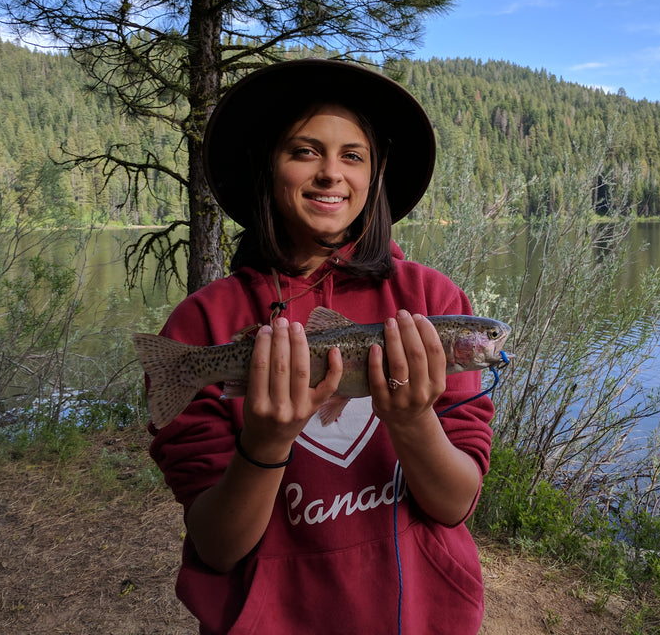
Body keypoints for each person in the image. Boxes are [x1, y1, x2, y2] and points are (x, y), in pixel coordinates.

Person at [148, 58, 495, 635]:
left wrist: (411, 422)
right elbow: (217, 547)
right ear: (268, 167)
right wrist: (264, 442)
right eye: (304, 151)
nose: (331, 173)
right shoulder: (202, 323)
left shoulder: (431, 300)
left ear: (375, 176)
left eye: (352, 155)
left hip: (425, 617)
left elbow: (456, 504)